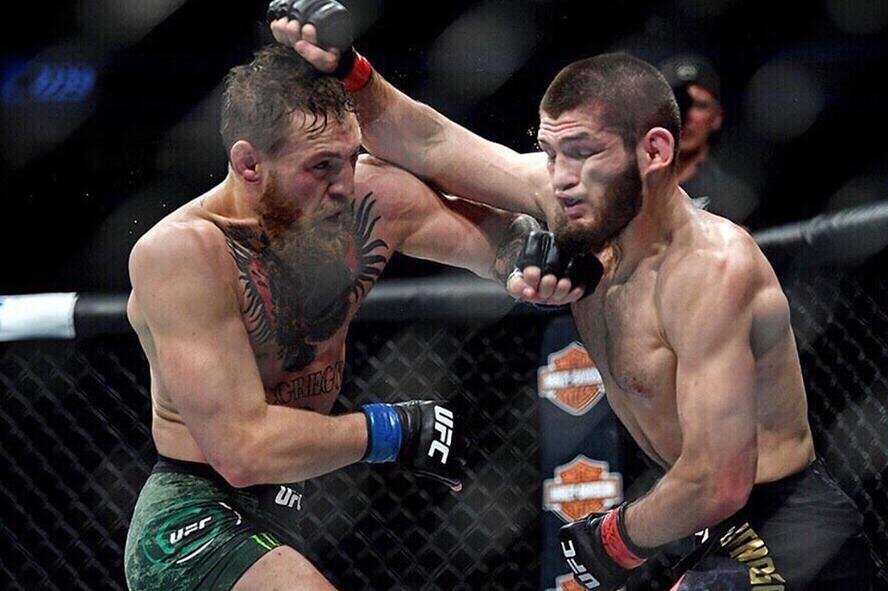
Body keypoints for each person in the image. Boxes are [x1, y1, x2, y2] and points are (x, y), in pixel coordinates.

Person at [269, 5, 873, 589]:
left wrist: (614, 539)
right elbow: (428, 143)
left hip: (786, 530)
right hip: (706, 527)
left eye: (583, 153)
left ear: (655, 152)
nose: (559, 176)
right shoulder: (573, 202)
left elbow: (719, 480)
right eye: (551, 151)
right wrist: (351, 72)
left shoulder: (711, 270)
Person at [122, 44, 589, 591]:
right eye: (320, 166)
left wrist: (533, 263)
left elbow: (500, 240)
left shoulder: (370, 198)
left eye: (349, 157)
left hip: (290, 504)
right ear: (249, 164)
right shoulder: (185, 254)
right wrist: (393, 429)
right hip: (195, 519)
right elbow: (243, 450)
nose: (344, 184)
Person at [660, 54, 757, 224]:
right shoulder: (630, 186)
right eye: (677, 103)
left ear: (717, 117)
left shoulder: (731, 199)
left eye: (700, 105)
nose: (687, 116)